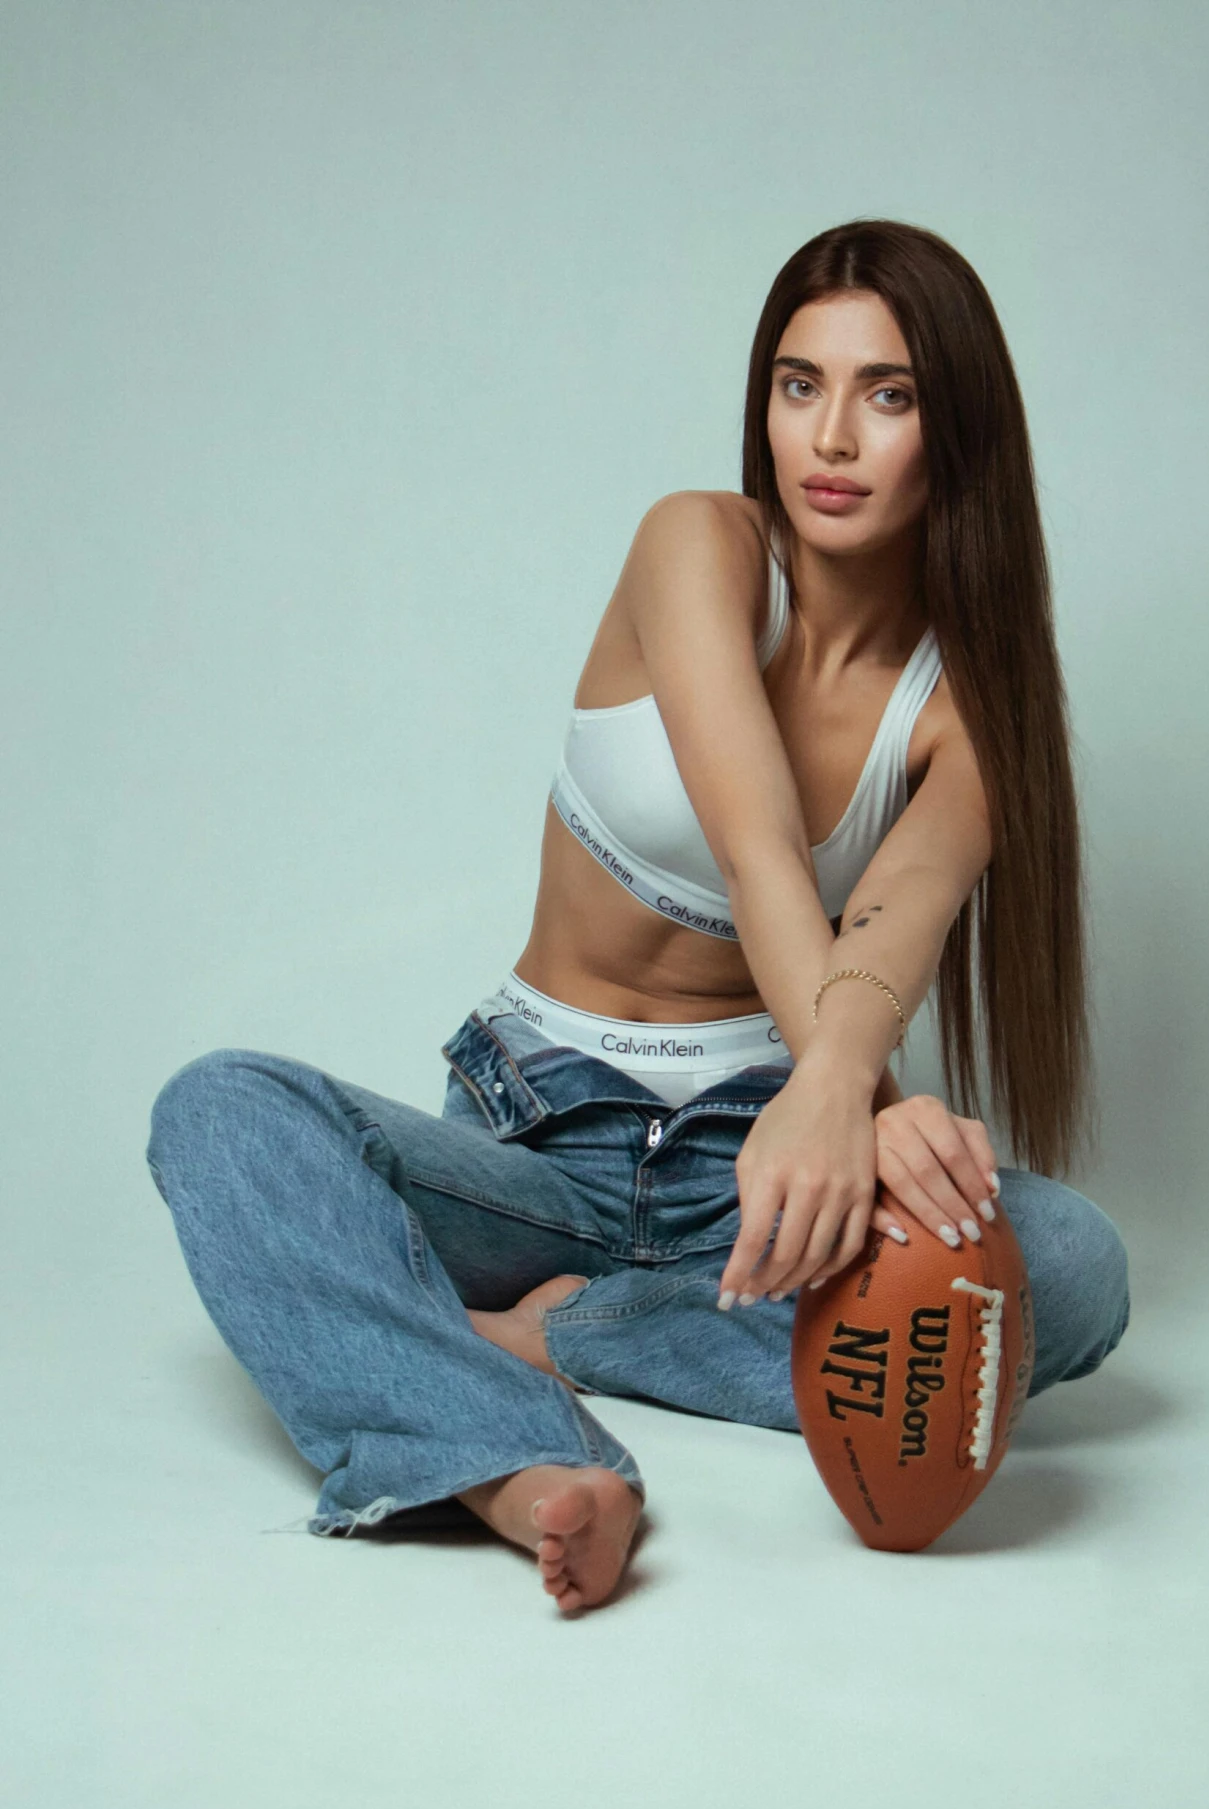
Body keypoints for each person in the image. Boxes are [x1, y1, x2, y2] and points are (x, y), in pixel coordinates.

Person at [145, 219, 1130, 1616]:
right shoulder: (700, 544)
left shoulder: (966, 712)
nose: (831, 436)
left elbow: (892, 934)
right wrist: (846, 1089)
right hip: (538, 1146)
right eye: (799, 384)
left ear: (955, 428)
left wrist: (838, 1098)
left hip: (766, 1173)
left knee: (1075, 1268)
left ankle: (558, 1341)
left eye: (889, 394)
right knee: (222, 1113)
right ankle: (515, 1463)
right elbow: (757, 845)